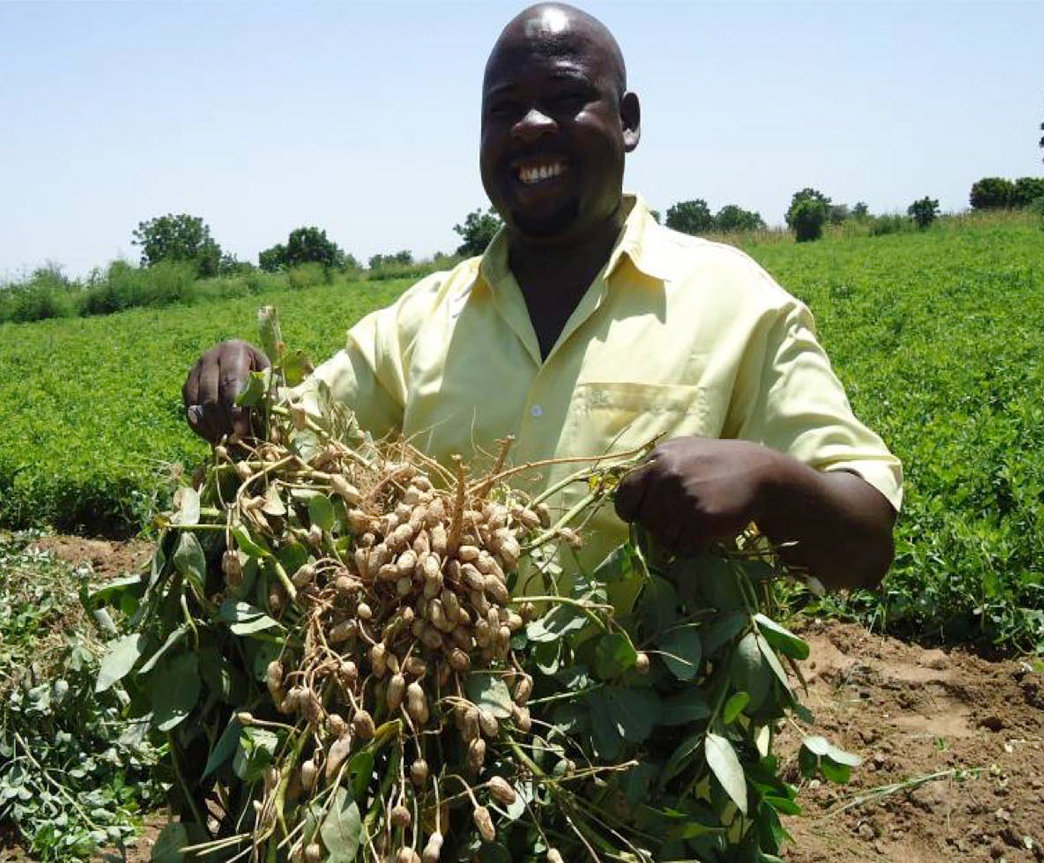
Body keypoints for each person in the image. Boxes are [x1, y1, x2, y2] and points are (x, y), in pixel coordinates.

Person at [182, 3, 901, 594]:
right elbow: (280, 449)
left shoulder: (736, 304)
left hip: (648, 726)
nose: (529, 126)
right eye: (505, 110)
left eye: (563, 99)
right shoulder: (417, 323)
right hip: (446, 725)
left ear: (627, 120)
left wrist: (771, 481)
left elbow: (866, 543)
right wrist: (244, 384)